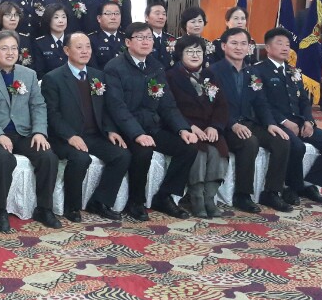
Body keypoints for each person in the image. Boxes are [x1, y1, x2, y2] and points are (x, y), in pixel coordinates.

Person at [104, 22, 199, 221]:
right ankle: (135, 201)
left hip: (152, 126)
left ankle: (164, 196)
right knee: (143, 151)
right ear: (128, 42)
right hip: (126, 129)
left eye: (148, 37)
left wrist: (182, 129)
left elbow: (168, 105)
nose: (146, 41)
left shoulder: (155, 67)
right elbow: (117, 107)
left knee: (188, 146)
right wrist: (137, 134)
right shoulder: (114, 67)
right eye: (140, 37)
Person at [0, 30, 60, 232]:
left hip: (24, 132)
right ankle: (0, 211)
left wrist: (39, 132)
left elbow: (38, 105)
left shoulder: (29, 74)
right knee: (3, 159)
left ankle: (44, 208)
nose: (10, 53)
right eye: (4, 48)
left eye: (14, 48)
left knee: (48, 157)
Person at [40, 32, 129, 221]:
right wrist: (70, 136)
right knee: (81, 159)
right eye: (79, 47)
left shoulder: (98, 76)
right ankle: (72, 207)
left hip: (93, 135)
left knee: (122, 155)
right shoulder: (53, 78)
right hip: (64, 137)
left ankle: (100, 202)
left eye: (88, 46)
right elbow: (52, 114)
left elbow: (106, 109)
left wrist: (110, 130)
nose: (85, 51)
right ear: (66, 50)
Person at [252, 28, 322, 205]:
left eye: (287, 44)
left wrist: (309, 120)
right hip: (277, 123)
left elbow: (304, 101)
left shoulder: (293, 71)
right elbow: (261, 103)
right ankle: (291, 188)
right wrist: (284, 121)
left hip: (300, 122)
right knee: (296, 147)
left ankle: (308, 184)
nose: (285, 48)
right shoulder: (258, 71)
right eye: (279, 43)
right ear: (268, 48)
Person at [209, 28, 293, 213]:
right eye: (234, 43)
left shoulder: (252, 72)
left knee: (282, 140)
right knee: (249, 142)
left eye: (243, 44)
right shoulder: (213, 71)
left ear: (249, 47)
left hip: (249, 122)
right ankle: (242, 195)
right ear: (224, 46)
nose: (239, 48)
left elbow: (261, 102)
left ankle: (271, 192)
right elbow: (211, 105)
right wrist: (232, 124)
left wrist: (271, 124)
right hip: (224, 125)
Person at [165, 36, 230, 218]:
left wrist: (215, 126)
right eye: (189, 51)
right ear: (180, 54)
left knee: (219, 151)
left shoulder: (210, 75)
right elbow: (170, 108)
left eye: (198, 51)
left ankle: (209, 198)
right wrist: (189, 127)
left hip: (209, 128)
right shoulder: (170, 76)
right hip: (186, 128)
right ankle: (196, 198)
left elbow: (222, 106)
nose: (195, 55)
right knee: (198, 152)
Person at [31, 3, 70, 77]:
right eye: (56, 17)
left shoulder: (72, 40)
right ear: (48, 20)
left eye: (63, 17)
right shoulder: (40, 43)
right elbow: (39, 71)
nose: (61, 21)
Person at [88, 2, 124, 70]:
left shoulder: (126, 38)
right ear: (99, 18)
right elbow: (92, 68)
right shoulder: (91, 40)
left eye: (117, 13)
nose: (113, 17)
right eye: (108, 14)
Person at [146, 3, 176, 69]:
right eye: (157, 14)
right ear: (146, 17)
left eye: (164, 14)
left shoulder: (171, 39)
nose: (161, 17)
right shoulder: (142, 39)